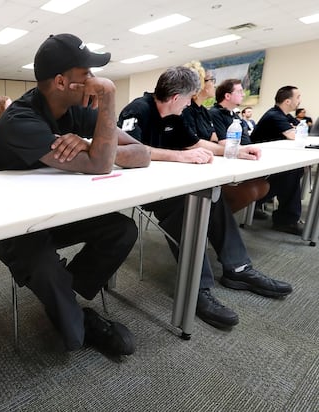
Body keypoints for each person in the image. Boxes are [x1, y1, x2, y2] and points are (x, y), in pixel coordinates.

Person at [0, 33, 150, 356]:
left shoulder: (79, 109)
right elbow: (102, 165)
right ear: (62, 82)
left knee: (122, 230)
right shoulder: (19, 120)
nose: (95, 80)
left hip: (57, 214)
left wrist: (93, 145)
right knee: (73, 338)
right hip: (11, 225)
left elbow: (141, 153)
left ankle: (66, 293)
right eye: (86, 74)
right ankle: (71, 309)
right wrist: (110, 98)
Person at [117, 66, 292, 330]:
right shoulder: (137, 110)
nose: (190, 104)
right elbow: (127, 150)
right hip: (146, 188)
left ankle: (239, 269)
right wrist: (178, 156)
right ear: (176, 97)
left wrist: (233, 150)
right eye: (188, 99)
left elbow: (195, 143)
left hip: (174, 183)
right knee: (187, 207)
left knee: (212, 196)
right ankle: (196, 288)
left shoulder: (176, 115)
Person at [207, 78, 269, 214]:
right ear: (227, 96)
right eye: (239, 91)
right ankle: (214, 219)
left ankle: (246, 209)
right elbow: (224, 143)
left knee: (264, 185)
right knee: (253, 190)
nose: (243, 94)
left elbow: (246, 140)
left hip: (240, 158)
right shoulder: (215, 113)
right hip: (226, 164)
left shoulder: (234, 115)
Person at [251, 86, 305, 235]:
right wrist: (295, 130)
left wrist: (296, 128)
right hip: (257, 162)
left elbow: (302, 129)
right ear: (288, 101)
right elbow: (295, 135)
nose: (300, 100)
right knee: (291, 174)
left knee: (295, 171)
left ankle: (257, 204)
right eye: (298, 97)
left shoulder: (285, 115)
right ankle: (285, 220)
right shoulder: (274, 115)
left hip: (272, 160)